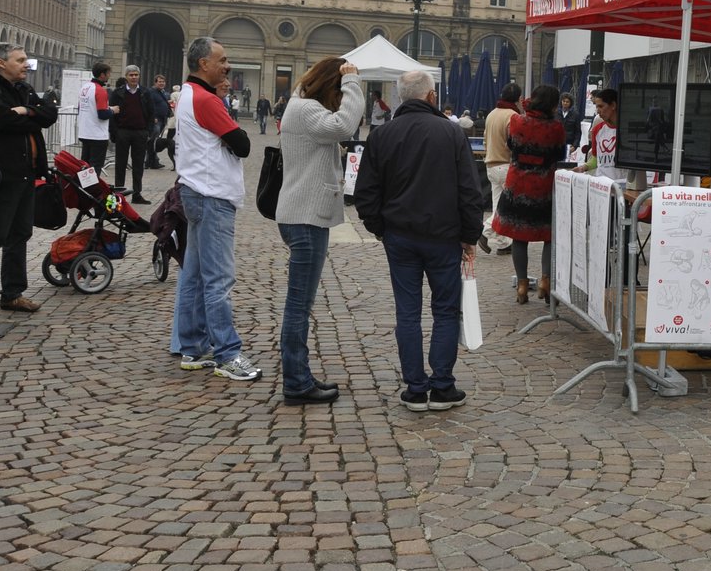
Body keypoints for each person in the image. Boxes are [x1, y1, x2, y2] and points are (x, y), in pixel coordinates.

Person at [355, 70, 484, 410]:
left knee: (407, 312)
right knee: (445, 310)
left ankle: (415, 386)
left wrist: (379, 227)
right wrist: (470, 235)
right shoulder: (451, 133)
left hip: (400, 235)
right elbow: (470, 191)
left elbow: (365, 192)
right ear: (431, 97)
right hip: (443, 236)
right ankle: (441, 385)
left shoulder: (383, 135)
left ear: (400, 98)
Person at [275, 56, 364, 405]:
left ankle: (300, 374)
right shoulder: (307, 109)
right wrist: (354, 82)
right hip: (305, 217)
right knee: (298, 305)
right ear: (331, 84)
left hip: (303, 214)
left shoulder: (301, 107)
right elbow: (345, 126)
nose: (340, 99)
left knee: (300, 303)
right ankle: (296, 382)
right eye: (338, 92)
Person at [172, 37, 260, 381]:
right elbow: (243, 145)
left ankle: (192, 348)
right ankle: (227, 353)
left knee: (194, 276)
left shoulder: (189, 95)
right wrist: (226, 118)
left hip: (196, 191)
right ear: (203, 64)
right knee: (218, 280)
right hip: (212, 195)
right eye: (222, 60)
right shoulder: (207, 100)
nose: (227, 66)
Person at [0, 43, 56, 319]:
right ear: (2, 63)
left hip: (28, 170)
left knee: (20, 233)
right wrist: (29, 115)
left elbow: (49, 114)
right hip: (5, 171)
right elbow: (0, 119)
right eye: (20, 60)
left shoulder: (23, 90)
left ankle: (13, 293)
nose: (26, 64)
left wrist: (26, 112)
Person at [495, 84, 567, 304]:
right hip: (544, 186)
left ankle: (522, 285)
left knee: (519, 236)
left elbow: (511, 145)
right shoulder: (556, 127)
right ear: (553, 104)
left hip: (518, 184)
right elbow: (559, 154)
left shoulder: (517, 121)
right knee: (549, 235)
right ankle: (545, 280)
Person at [480, 83, 522, 255]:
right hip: (506, 164)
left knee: (499, 204)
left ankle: (503, 243)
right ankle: (484, 230)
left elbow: (484, 140)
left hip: (491, 164)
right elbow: (515, 143)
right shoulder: (512, 115)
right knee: (507, 207)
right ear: (518, 99)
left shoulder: (491, 114)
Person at [110, 65, 152, 204]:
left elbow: (151, 113)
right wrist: (114, 132)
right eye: (131, 75)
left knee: (138, 164)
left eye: (136, 75)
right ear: (126, 77)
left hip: (140, 132)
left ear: (139, 76)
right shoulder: (118, 93)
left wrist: (148, 131)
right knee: (120, 163)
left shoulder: (146, 92)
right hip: (123, 131)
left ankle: (137, 193)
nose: (134, 77)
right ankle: (119, 194)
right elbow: (112, 114)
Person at [77, 62, 113, 170]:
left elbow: (81, 108)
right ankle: (92, 187)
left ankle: (83, 186)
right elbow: (102, 114)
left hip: (85, 133)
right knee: (95, 167)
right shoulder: (100, 91)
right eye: (108, 73)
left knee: (85, 167)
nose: (109, 76)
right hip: (97, 135)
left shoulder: (84, 87)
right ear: (102, 75)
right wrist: (113, 111)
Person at [586, 88, 627, 182]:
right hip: (602, 187)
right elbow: (595, 159)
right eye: (596, 107)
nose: (598, 111)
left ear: (613, 105)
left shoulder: (629, 131)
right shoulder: (597, 129)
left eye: (601, 106)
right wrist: (584, 167)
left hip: (622, 186)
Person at [145, 75, 171, 168]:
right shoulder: (151, 92)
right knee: (151, 141)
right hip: (156, 120)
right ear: (155, 82)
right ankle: (148, 161)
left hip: (162, 120)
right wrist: (152, 117)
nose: (162, 83)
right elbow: (149, 105)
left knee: (154, 142)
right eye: (159, 82)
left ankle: (153, 161)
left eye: (163, 82)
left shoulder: (161, 92)